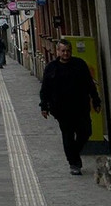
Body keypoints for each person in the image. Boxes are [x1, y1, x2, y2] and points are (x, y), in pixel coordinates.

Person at [39, 38, 102, 176]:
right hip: (61, 109)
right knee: (67, 136)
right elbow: (45, 89)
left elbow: (90, 85)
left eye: (68, 51)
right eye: (63, 51)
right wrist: (44, 106)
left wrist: (96, 101)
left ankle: (73, 153)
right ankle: (74, 163)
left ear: (71, 51)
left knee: (86, 132)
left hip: (81, 107)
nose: (65, 53)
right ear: (58, 51)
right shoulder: (51, 68)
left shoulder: (80, 64)